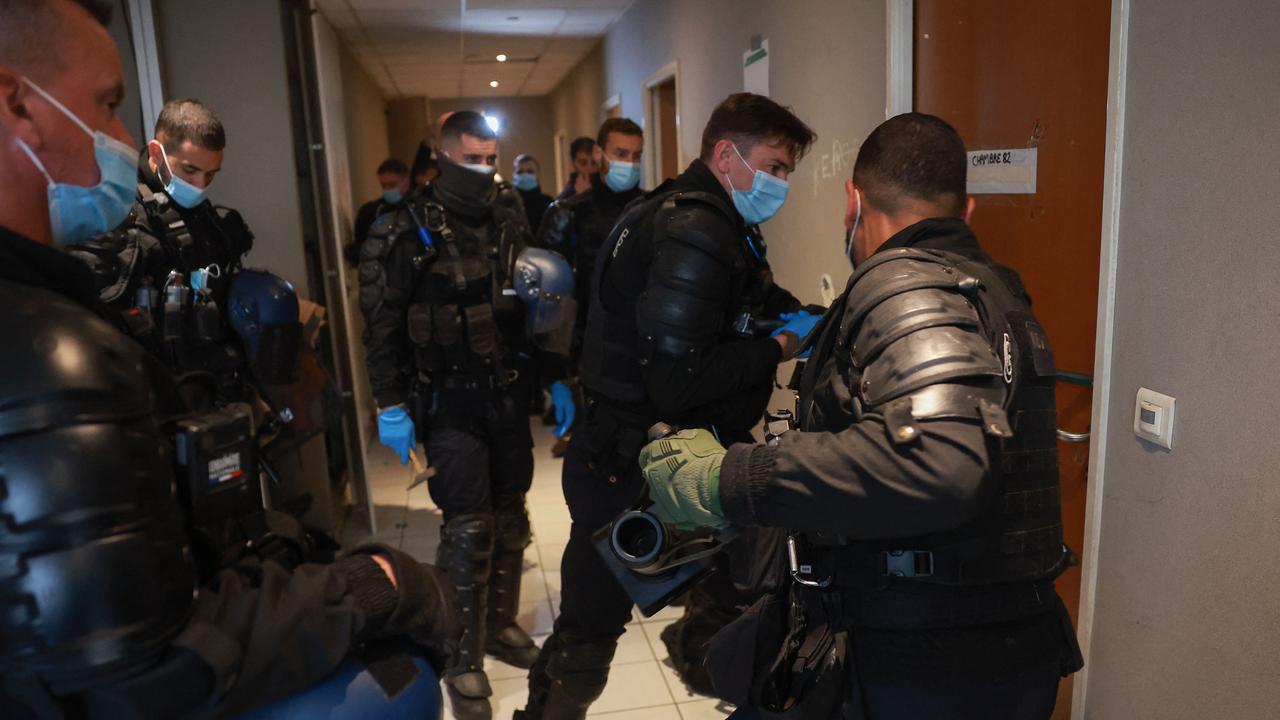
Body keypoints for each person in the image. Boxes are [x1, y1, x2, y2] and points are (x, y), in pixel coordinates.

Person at [0, 1, 458, 717]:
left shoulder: (208, 236)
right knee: (389, 692)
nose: (116, 135)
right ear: (16, 105)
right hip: (152, 459)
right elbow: (133, 668)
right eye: (108, 105)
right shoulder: (52, 345)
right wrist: (377, 588)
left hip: (207, 433)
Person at [638, 113, 1084, 719]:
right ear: (966, 209)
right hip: (1004, 652)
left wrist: (728, 476)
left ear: (854, 200)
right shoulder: (997, 290)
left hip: (923, 664)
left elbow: (939, 461)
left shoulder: (904, 285)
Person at [517, 93, 820, 720]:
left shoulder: (691, 216)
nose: (780, 182)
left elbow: (744, 298)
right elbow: (681, 384)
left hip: (638, 458)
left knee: (606, 627)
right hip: (637, 470)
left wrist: (805, 316)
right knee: (594, 637)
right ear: (726, 154)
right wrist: (778, 346)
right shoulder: (697, 228)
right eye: (775, 165)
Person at [360, 110, 542, 720]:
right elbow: (381, 327)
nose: (485, 171)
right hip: (447, 401)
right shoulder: (403, 229)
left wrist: (559, 377)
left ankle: (497, 626)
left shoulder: (509, 214)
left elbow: (534, 300)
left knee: (512, 515)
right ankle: (461, 656)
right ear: (441, 157)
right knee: (470, 527)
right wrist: (388, 404)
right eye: (473, 159)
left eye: (492, 158)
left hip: (508, 395)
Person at [535, 117, 645, 455]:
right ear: (599, 153)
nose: (628, 163)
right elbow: (548, 301)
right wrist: (556, 374)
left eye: (636, 155)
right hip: (588, 358)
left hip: (642, 356)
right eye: (620, 153)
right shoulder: (568, 214)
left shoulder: (653, 210)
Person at [353, 157, 410, 255]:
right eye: (383, 186)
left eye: (392, 185)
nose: (387, 190)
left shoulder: (418, 208)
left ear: (406, 180)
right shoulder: (370, 211)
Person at [511, 153, 553, 233]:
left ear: (538, 175)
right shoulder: (505, 204)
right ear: (513, 175)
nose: (525, 175)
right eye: (520, 172)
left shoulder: (548, 203)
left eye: (530, 172)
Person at [556, 135, 597, 200]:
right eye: (583, 163)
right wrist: (581, 196)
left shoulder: (607, 188)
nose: (590, 168)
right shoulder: (566, 197)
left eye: (594, 163)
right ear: (573, 163)